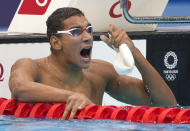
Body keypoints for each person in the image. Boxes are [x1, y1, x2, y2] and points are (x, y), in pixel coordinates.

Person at [9, 7, 177, 120]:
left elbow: (165, 104)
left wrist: (135, 53)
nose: (88, 37)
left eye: (89, 29)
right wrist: (69, 96)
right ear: (55, 43)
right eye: (76, 32)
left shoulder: (100, 73)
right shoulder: (30, 67)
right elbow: (20, 88)